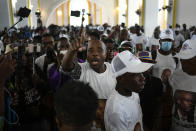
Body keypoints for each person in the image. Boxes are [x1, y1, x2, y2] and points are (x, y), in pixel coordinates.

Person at [104, 51, 154, 131]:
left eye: (141, 72)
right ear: (120, 78)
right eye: (136, 74)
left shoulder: (133, 93)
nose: (143, 78)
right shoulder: (117, 111)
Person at [168, 40, 196, 131]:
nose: (184, 64)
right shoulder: (175, 75)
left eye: (188, 61)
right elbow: (170, 99)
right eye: (182, 59)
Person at [137, 51, 163, 130]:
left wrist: (158, 120)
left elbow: (159, 103)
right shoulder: (131, 82)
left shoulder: (157, 82)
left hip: (151, 120)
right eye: (141, 62)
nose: (145, 65)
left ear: (151, 66)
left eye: (147, 63)